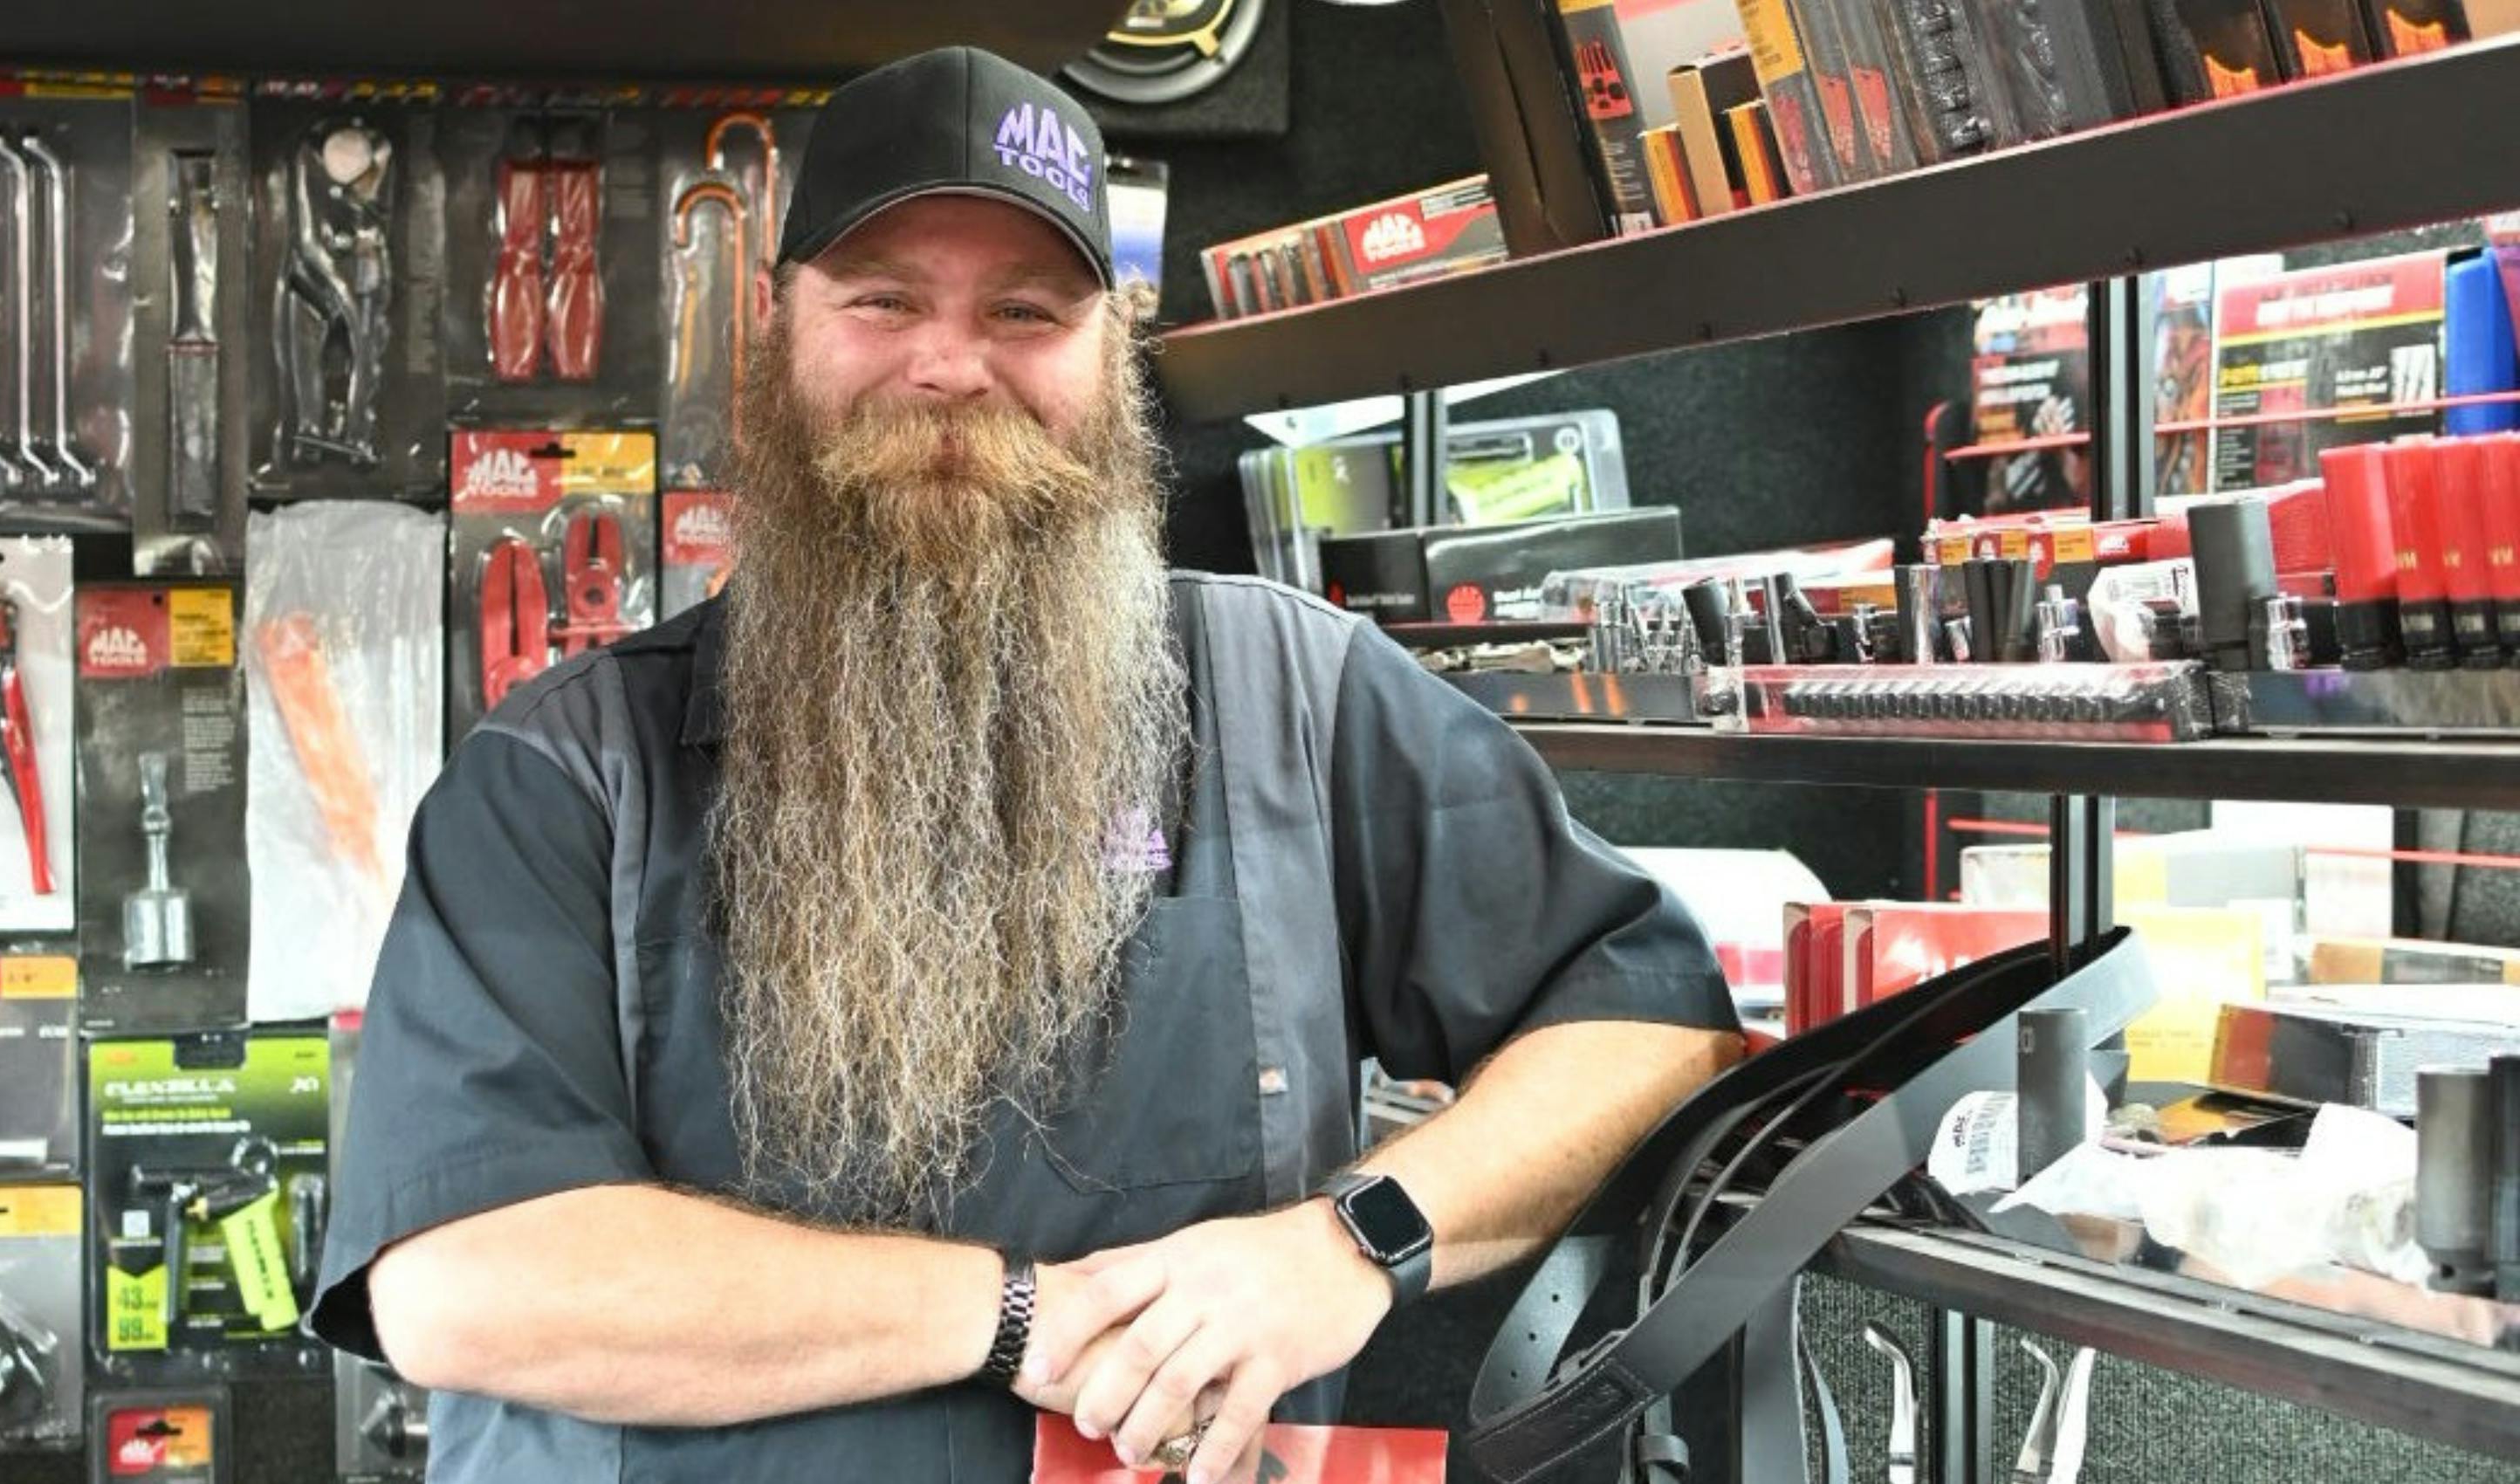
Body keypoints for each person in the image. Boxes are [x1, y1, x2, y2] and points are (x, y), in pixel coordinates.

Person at [308, 45, 1742, 1484]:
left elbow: (1652, 1023)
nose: (950, 366)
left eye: (1026, 311)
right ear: (777, 329)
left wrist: (1352, 1242)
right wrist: (1016, 1316)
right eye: (883, 301)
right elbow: (462, 1278)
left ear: (1112, 350)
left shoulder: (1295, 699)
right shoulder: (566, 775)